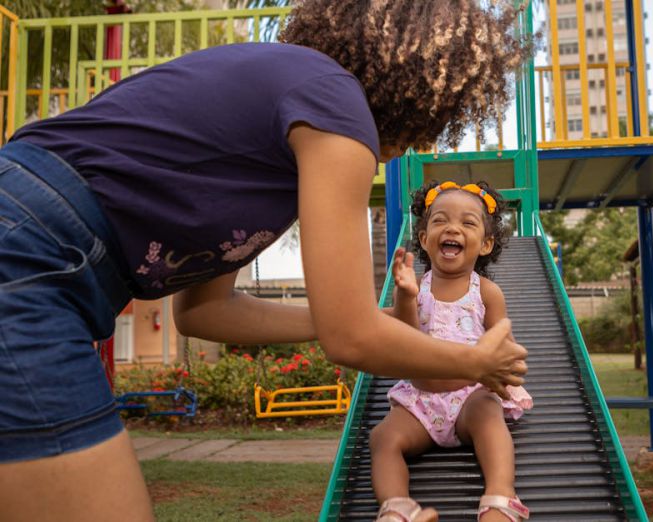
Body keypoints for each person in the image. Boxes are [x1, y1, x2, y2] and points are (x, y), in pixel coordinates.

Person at [0, 2, 532, 520]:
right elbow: (350, 339)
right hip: (32, 253)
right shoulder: (335, 104)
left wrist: (345, 320)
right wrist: (472, 363)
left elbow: (205, 313)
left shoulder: (278, 122)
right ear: (423, 93)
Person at [371, 181, 533, 522]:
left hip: (469, 397)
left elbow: (504, 340)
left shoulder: (487, 293)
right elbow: (404, 335)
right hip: (421, 401)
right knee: (383, 438)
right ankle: (398, 507)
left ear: (486, 244)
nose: (453, 228)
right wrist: (404, 296)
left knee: (490, 416)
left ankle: (501, 496)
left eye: (468, 223)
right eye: (440, 220)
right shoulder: (416, 288)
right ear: (425, 237)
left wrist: (506, 366)